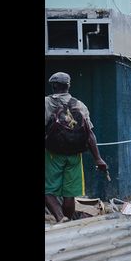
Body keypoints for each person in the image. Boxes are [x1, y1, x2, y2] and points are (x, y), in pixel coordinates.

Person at [44, 72, 108, 222]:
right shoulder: (80, 105)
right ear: (68, 86)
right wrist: (98, 158)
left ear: (53, 86)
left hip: (53, 154)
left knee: (47, 190)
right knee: (69, 193)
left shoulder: (47, 103)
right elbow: (89, 134)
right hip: (75, 155)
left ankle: (60, 218)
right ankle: (68, 221)